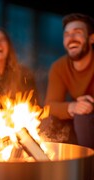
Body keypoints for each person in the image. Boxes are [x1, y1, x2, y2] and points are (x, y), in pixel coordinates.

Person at [44, 13, 94, 149]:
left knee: (83, 117)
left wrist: (89, 104)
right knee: (46, 121)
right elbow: (49, 106)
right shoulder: (59, 67)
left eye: (77, 33)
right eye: (66, 34)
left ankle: (88, 167)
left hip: (86, 118)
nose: (71, 39)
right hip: (79, 118)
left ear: (91, 38)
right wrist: (72, 107)